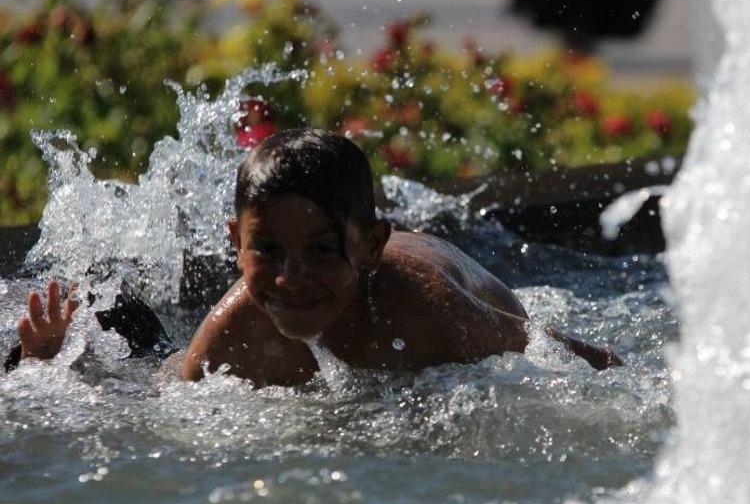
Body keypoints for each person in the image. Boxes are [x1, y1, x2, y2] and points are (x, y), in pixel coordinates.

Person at [13, 129, 621, 386]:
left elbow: (581, 360)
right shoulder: (237, 326)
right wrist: (52, 365)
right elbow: (151, 403)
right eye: (267, 251)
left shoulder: (430, 313)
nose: (290, 278)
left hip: (453, 269)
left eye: (322, 252)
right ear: (236, 243)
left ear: (369, 246)